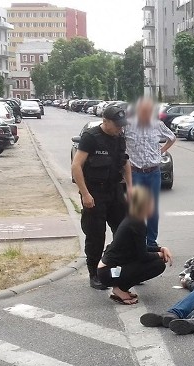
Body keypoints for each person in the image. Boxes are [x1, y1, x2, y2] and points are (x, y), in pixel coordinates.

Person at [71, 105, 132, 290]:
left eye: (122, 125)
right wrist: (85, 194)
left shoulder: (119, 136)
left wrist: (130, 188)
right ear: (105, 121)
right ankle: (94, 273)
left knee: (123, 231)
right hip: (95, 192)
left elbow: (125, 162)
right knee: (95, 235)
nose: (120, 128)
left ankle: (118, 268)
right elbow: (76, 166)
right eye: (117, 125)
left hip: (114, 190)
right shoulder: (91, 137)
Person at [97, 186, 173, 305]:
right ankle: (119, 289)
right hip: (109, 272)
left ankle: (122, 287)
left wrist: (161, 248)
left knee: (155, 261)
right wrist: (159, 255)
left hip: (108, 269)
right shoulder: (137, 223)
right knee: (158, 265)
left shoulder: (134, 219)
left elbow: (140, 247)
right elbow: (142, 255)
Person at [125, 97, 177, 247]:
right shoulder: (128, 126)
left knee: (152, 209)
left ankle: (151, 242)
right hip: (136, 173)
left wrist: (161, 151)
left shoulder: (157, 125)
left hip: (154, 172)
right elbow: (120, 143)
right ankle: (139, 241)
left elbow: (172, 138)